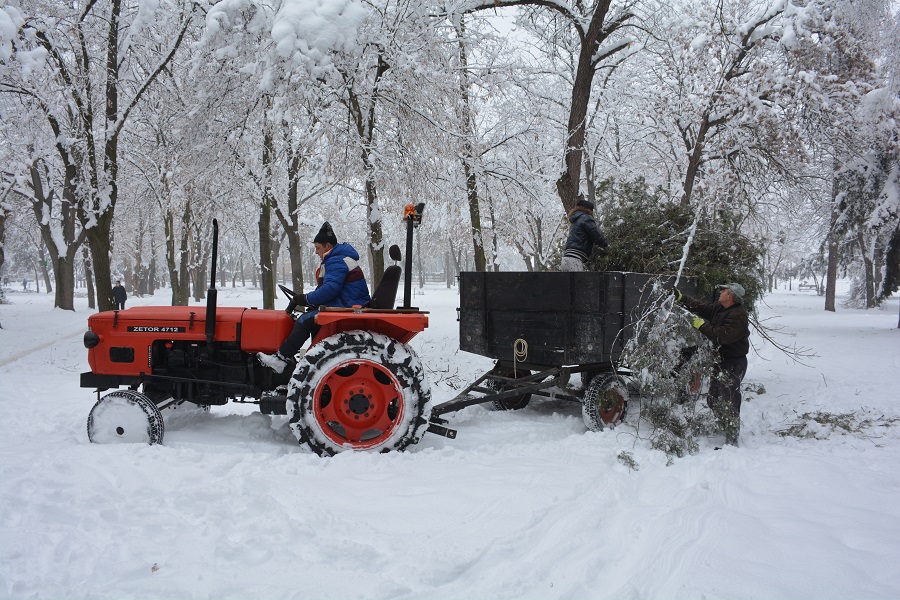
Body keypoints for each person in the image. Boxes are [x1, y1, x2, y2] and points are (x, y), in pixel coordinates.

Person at [258, 222, 371, 373]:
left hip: (349, 306)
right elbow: (328, 289)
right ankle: (314, 359)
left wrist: (305, 299)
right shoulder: (337, 258)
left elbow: (330, 290)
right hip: (345, 303)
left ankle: (281, 358)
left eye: (318, 248)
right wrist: (309, 300)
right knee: (310, 317)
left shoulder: (336, 260)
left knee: (305, 320)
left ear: (328, 246)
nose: (316, 252)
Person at [673, 282, 750, 446]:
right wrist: (682, 298)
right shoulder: (720, 308)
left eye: (724, 290)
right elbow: (702, 308)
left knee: (730, 399)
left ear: (731, 296)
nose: (720, 291)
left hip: (734, 362)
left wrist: (702, 326)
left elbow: (721, 336)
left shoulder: (738, 315)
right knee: (713, 398)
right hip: (721, 360)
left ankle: (732, 439)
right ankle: (723, 423)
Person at [561, 197, 608, 272]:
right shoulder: (586, 218)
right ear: (589, 210)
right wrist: (605, 244)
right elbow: (597, 236)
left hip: (566, 258)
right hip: (575, 258)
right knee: (577, 283)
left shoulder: (575, 220)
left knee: (568, 283)